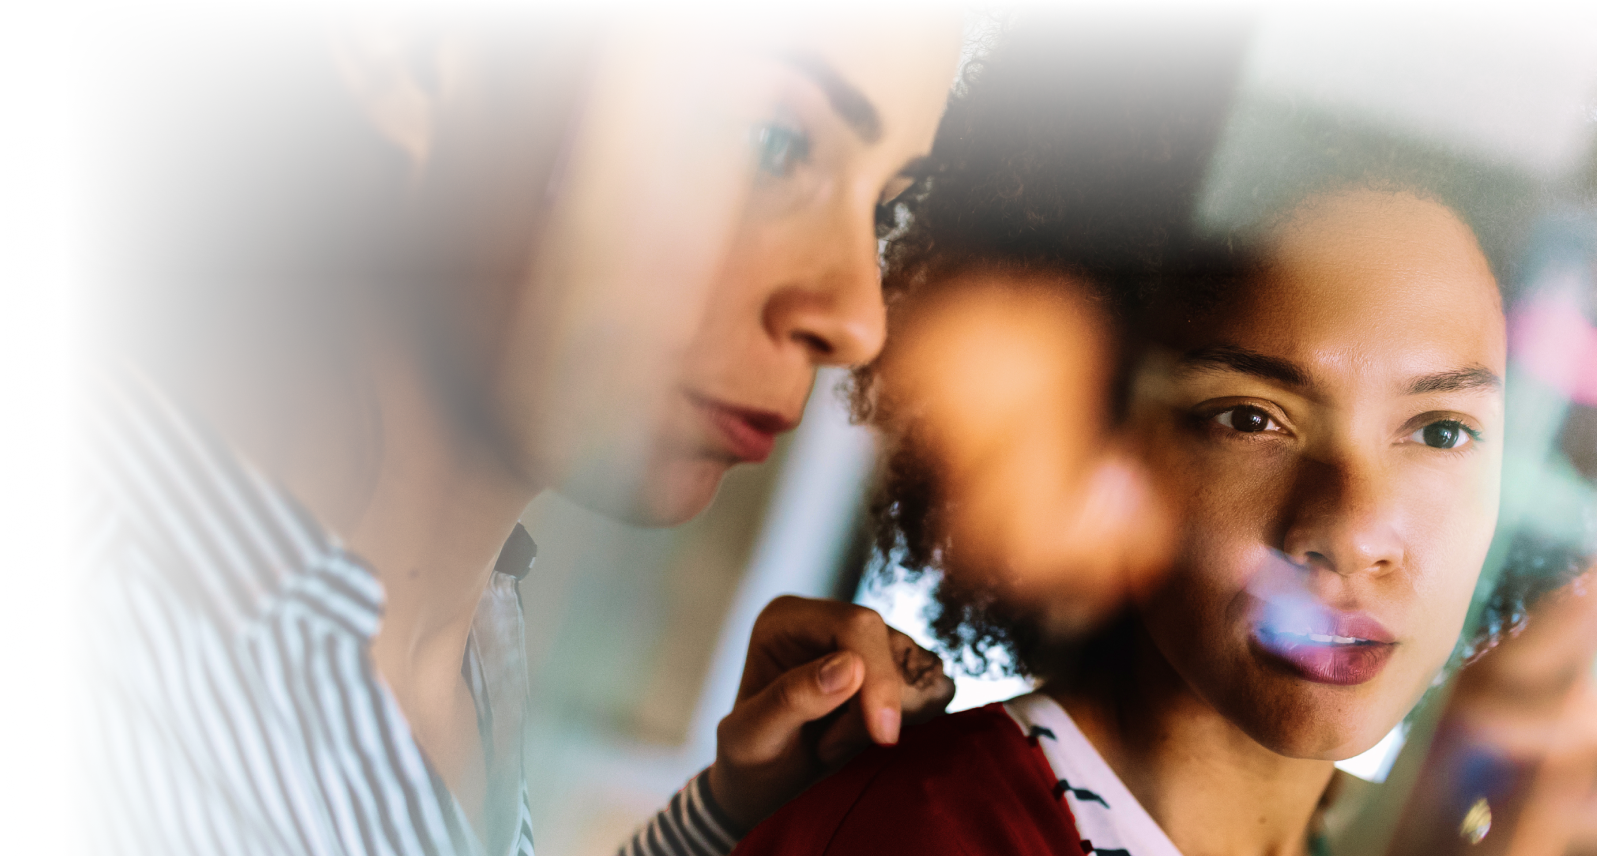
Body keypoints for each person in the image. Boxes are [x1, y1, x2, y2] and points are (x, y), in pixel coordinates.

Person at [85, 9, 1146, 856]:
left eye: (881, 210)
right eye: (774, 141)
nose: (855, 318)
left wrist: (728, 815)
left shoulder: (464, 642)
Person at [733, 35, 1597, 856]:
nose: (1351, 530)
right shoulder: (923, 835)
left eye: (1441, 431)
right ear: (1094, 437)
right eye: (1250, 418)